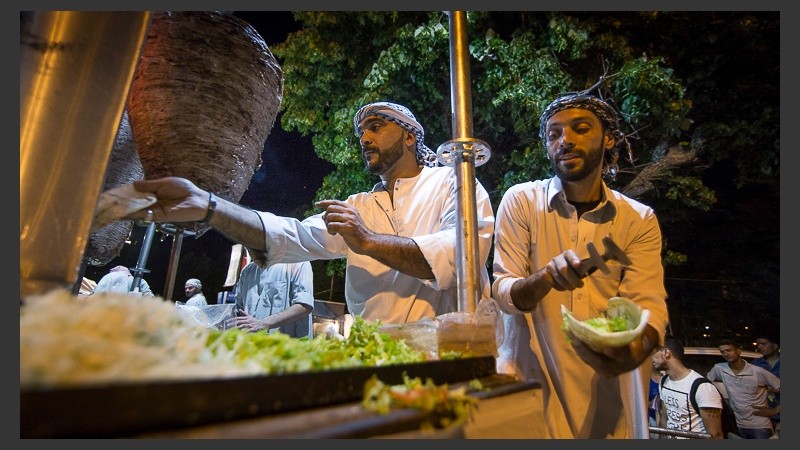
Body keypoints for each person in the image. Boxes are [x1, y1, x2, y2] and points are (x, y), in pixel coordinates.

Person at [126, 101, 495, 324]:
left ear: (410, 136)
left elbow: (456, 258)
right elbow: (290, 236)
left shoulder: (453, 183)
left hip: (452, 356)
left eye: (376, 128)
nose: (365, 139)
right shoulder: (360, 206)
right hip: (377, 357)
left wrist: (366, 241)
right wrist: (209, 207)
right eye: (362, 133)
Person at [491, 88, 669, 438]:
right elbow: (504, 293)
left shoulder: (638, 219)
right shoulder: (522, 201)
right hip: (534, 384)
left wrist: (637, 348)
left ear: (609, 138)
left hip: (610, 395)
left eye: (581, 128)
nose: (565, 140)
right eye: (554, 134)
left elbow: (647, 304)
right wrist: (544, 278)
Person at [652, 336, 724, 439]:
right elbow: (665, 419)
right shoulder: (664, 381)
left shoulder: (702, 387)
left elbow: (715, 435)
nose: (650, 358)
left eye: (652, 353)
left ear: (666, 353)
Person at [707, 339, 780, 439]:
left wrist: (774, 411)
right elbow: (706, 384)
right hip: (737, 425)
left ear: (738, 351)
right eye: (722, 352)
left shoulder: (757, 371)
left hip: (759, 426)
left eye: (729, 350)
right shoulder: (720, 369)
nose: (726, 354)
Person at [228, 260, 314, 338]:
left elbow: (304, 306)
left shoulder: (299, 263)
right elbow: (239, 308)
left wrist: (263, 323)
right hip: (253, 347)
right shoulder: (247, 271)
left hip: (287, 348)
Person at [751, 333, 780, 435]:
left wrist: (775, 411)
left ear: (775, 346)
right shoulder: (755, 364)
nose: (759, 347)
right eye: (758, 344)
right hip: (761, 416)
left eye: (764, 344)